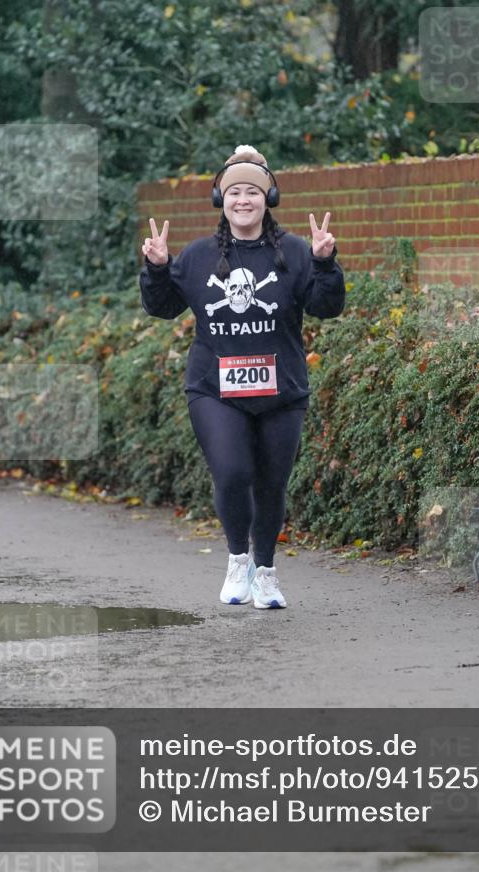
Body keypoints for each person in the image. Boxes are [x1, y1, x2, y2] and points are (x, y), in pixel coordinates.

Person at [139, 145, 345, 609]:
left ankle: (266, 573)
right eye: (235, 192)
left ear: (268, 196)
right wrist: (155, 269)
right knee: (233, 473)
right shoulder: (197, 257)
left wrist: (325, 263)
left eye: (253, 191)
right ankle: (238, 560)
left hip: (282, 391)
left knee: (272, 483)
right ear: (221, 200)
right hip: (215, 390)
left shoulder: (294, 251)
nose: (244, 200)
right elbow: (162, 307)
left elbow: (327, 307)